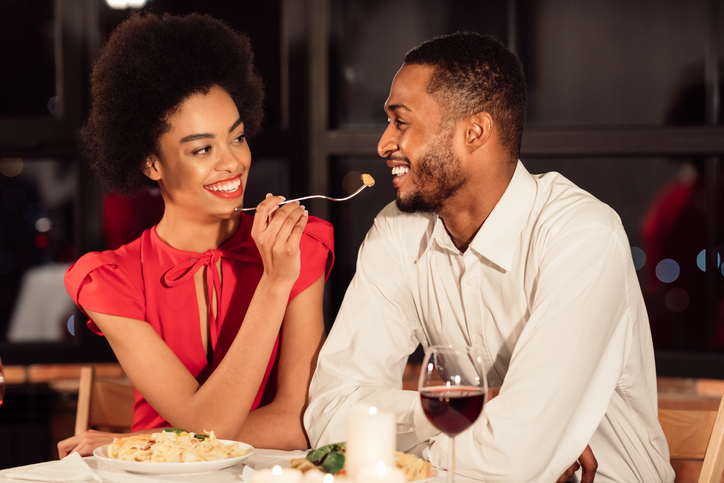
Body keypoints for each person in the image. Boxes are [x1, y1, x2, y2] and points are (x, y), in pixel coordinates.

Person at [304, 32, 674, 482]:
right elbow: (329, 413)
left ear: (474, 132)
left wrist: (406, 444)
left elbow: (511, 461)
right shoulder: (396, 232)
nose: (383, 144)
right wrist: (462, 410)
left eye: (401, 122)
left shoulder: (582, 237)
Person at [58, 12, 333, 457]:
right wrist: (273, 285)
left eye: (237, 138)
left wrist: (137, 441)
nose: (232, 163)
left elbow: (294, 426)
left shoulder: (298, 246)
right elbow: (212, 425)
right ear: (152, 164)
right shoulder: (110, 280)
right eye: (203, 149)